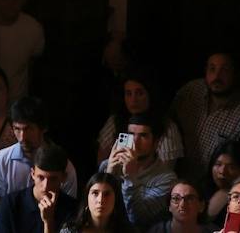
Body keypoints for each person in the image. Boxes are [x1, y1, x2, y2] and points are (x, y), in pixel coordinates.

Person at [171, 51, 240, 181]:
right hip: (176, 178)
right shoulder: (191, 91)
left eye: (224, 70)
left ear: (235, 74)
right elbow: (167, 124)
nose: (217, 76)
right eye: (212, 69)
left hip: (215, 185)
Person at [0, 98, 78, 199]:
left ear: (43, 128)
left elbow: (69, 208)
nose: (22, 137)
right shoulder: (1, 161)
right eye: (17, 129)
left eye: (29, 129)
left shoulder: (64, 166)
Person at [99, 113, 176, 228]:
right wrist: (109, 174)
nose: (135, 141)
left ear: (156, 143)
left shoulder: (167, 179)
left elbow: (137, 219)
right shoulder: (108, 165)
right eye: (131, 135)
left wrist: (130, 177)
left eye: (143, 136)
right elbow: (96, 207)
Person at [96, 69, 184, 168]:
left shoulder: (167, 127)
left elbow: (165, 171)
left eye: (139, 93)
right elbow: (102, 162)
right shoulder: (115, 121)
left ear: (150, 94)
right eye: (129, 94)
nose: (133, 100)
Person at [0, 144, 77, 233]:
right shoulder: (11, 204)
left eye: (53, 179)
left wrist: (48, 222)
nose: (45, 186)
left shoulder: (72, 209)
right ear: (32, 174)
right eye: (41, 177)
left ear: (63, 178)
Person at [60, 173, 129, 233]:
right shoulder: (70, 231)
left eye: (107, 194)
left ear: (116, 199)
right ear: (87, 198)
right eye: (95, 193)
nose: (100, 200)